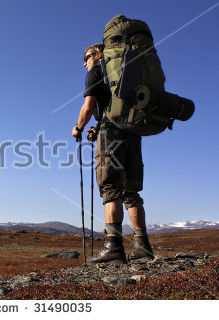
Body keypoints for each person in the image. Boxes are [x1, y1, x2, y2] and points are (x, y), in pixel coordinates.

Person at [72, 44, 154, 264]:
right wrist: (96, 128)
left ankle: (114, 248)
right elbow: (113, 108)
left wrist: (78, 128)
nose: (84, 62)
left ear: (98, 55)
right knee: (132, 192)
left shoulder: (96, 71)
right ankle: (142, 247)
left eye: (86, 56)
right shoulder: (124, 73)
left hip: (112, 134)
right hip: (133, 133)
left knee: (111, 189)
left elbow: (88, 106)